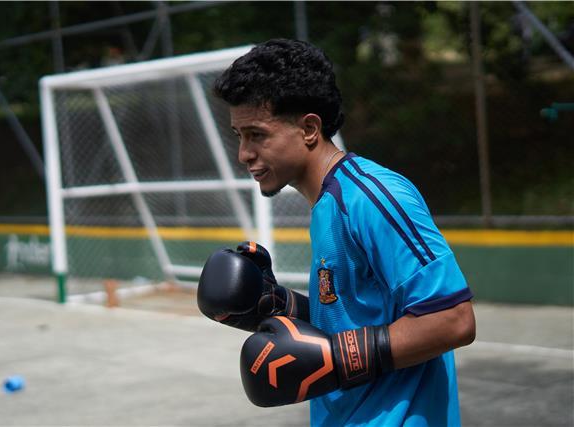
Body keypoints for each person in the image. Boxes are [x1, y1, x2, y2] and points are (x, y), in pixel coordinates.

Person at [197, 38, 475, 426]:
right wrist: (278, 305)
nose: (244, 153)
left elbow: (452, 319)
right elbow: (358, 318)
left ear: (309, 128)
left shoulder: (371, 197)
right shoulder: (328, 204)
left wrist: (339, 360)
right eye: (239, 136)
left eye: (256, 135)